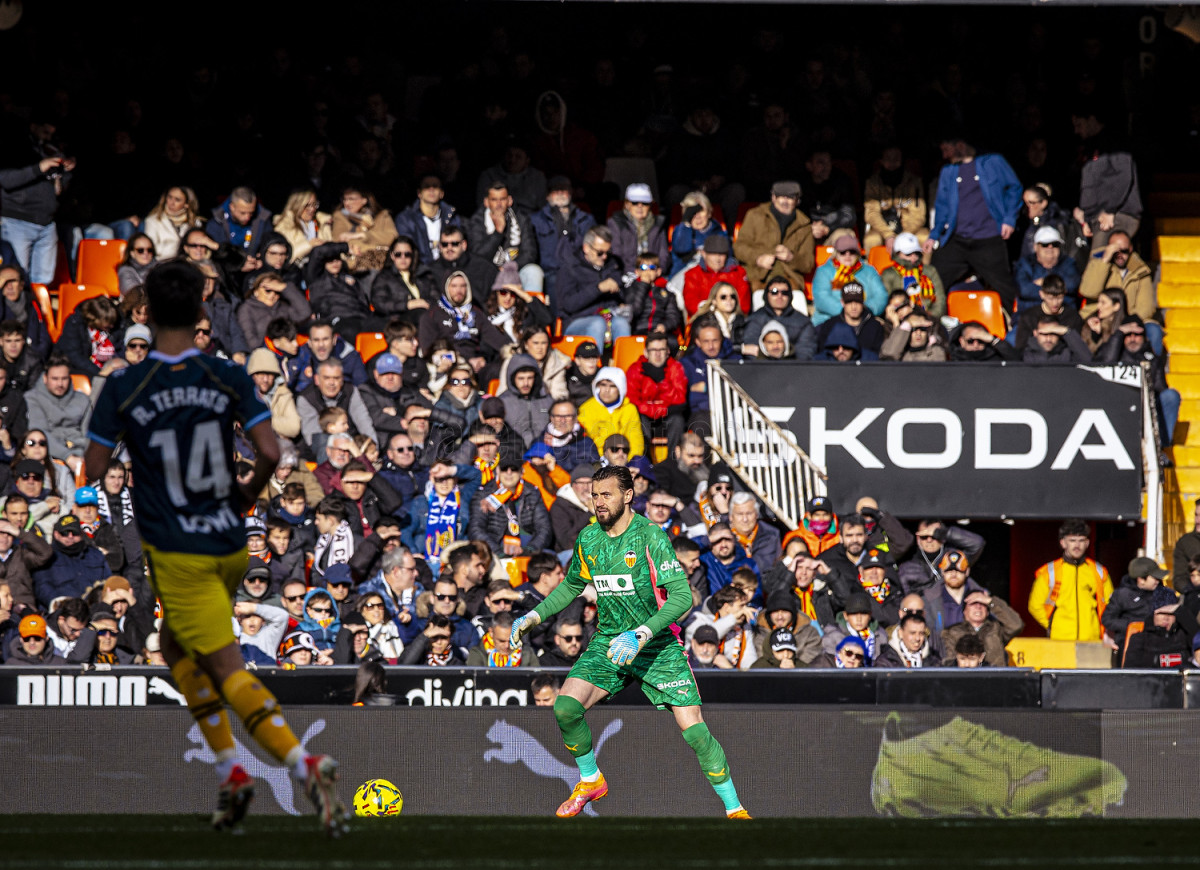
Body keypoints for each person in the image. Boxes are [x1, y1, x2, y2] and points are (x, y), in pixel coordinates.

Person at [82, 260, 346, 834]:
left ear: (145, 313)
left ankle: (304, 764)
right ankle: (231, 773)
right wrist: (246, 494)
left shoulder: (125, 384)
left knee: (224, 666)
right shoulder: (225, 374)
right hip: (228, 539)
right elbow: (271, 452)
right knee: (176, 650)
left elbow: (94, 467)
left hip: (179, 548)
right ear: (202, 310)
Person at [511, 466, 750, 819]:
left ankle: (735, 810)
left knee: (695, 732)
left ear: (627, 495)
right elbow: (572, 585)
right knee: (565, 708)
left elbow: (682, 597)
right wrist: (535, 615)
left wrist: (641, 634)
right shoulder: (589, 538)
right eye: (594, 495)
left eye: (606, 494)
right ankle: (591, 779)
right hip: (610, 641)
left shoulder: (650, 536)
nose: (598, 501)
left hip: (656, 645)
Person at [927, 135, 1022, 311]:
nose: (944, 156)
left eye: (947, 150)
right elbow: (942, 205)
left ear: (960, 145)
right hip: (958, 239)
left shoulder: (993, 161)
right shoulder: (948, 171)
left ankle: (1009, 321)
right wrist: (934, 235)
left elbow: (1014, 188)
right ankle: (931, 319)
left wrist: (1009, 219)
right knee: (933, 280)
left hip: (988, 238)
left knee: (1004, 288)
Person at [1027, 518, 1113, 642]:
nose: (1077, 545)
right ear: (1063, 543)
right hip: (1060, 639)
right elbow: (1035, 606)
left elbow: (1111, 604)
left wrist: (1103, 630)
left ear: (1087, 543)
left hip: (1092, 638)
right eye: (1072, 540)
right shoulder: (1050, 572)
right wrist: (1051, 626)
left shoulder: (1099, 571)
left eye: (1081, 540)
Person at [733, 180, 815, 291]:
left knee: (793, 295)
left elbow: (808, 264)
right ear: (773, 197)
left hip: (790, 279)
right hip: (757, 275)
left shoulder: (804, 225)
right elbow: (739, 248)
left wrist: (791, 257)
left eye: (790, 198)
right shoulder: (755, 215)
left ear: (797, 201)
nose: (785, 201)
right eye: (781, 197)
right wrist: (758, 258)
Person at [556, 226, 628, 348]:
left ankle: (623, 360)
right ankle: (593, 359)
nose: (604, 257)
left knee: (622, 323)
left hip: (608, 318)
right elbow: (568, 304)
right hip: (576, 321)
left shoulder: (612, 265)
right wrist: (598, 289)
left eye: (608, 252)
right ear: (586, 248)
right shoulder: (570, 268)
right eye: (600, 252)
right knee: (597, 324)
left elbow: (621, 296)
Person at [624, 333, 688, 450]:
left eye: (661, 349)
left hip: (668, 419)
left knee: (678, 420)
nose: (657, 354)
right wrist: (658, 410)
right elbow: (631, 400)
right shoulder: (636, 369)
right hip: (646, 417)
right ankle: (643, 458)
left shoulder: (675, 368)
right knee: (637, 418)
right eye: (653, 350)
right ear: (646, 352)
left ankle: (673, 459)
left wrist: (661, 380)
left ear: (668, 351)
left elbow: (680, 400)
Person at [811, 233, 887, 327]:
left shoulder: (868, 270)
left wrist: (863, 311)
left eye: (852, 251)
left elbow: (881, 295)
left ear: (858, 253)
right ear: (836, 253)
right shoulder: (824, 271)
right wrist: (848, 314)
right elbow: (821, 299)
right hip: (829, 320)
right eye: (843, 252)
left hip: (864, 320)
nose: (848, 255)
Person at [940, 588, 1025, 667]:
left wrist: (990, 601)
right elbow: (949, 662)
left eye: (982, 603)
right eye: (973, 603)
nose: (978, 607)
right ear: (964, 611)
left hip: (995, 676)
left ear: (987, 612)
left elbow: (1016, 625)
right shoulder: (951, 632)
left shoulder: (997, 629)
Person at [578, 367, 644, 459]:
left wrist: (630, 461)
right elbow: (587, 441)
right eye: (603, 385)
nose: (607, 390)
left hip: (624, 458)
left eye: (612, 386)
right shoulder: (587, 408)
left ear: (620, 388)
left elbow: (636, 440)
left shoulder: (629, 409)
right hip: (597, 459)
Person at [608, 183, 670, 277]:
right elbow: (616, 254)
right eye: (635, 202)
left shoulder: (658, 224)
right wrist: (635, 273)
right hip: (626, 274)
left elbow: (664, 254)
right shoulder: (616, 223)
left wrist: (658, 270)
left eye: (645, 203)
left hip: (654, 273)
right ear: (627, 204)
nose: (640, 206)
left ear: (650, 205)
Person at [1015, 226, 1081, 312]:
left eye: (1055, 244)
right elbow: (1024, 290)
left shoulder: (1068, 263)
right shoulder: (1025, 264)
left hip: (1063, 314)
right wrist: (1058, 288)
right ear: (1035, 247)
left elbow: (1072, 285)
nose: (1050, 247)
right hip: (1031, 314)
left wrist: (1044, 283)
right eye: (1045, 244)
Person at [879, 233, 945, 319]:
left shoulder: (929, 271)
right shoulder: (888, 274)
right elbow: (886, 302)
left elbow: (940, 299)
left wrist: (929, 316)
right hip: (900, 318)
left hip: (928, 317)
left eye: (916, 253)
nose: (913, 257)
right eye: (908, 254)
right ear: (897, 254)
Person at [1123, 587, 1190, 669]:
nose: (1166, 618)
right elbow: (1130, 669)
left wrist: (1183, 612)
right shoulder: (1139, 639)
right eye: (1162, 613)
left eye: (1171, 613)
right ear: (1153, 614)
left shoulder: (1184, 636)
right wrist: (1158, 660)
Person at [205, 185, 272, 259]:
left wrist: (261, 260)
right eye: (243, 213)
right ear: (232, 207)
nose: (248, 217)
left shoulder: (263, 219)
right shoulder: (216, 222)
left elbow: (269, 246)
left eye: (251, 213)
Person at [875, 613, 941, 668]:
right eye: (912, 633)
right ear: (900, 633)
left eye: (921, 633)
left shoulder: (934, 662)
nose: (917, 638)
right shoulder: (885, 662)